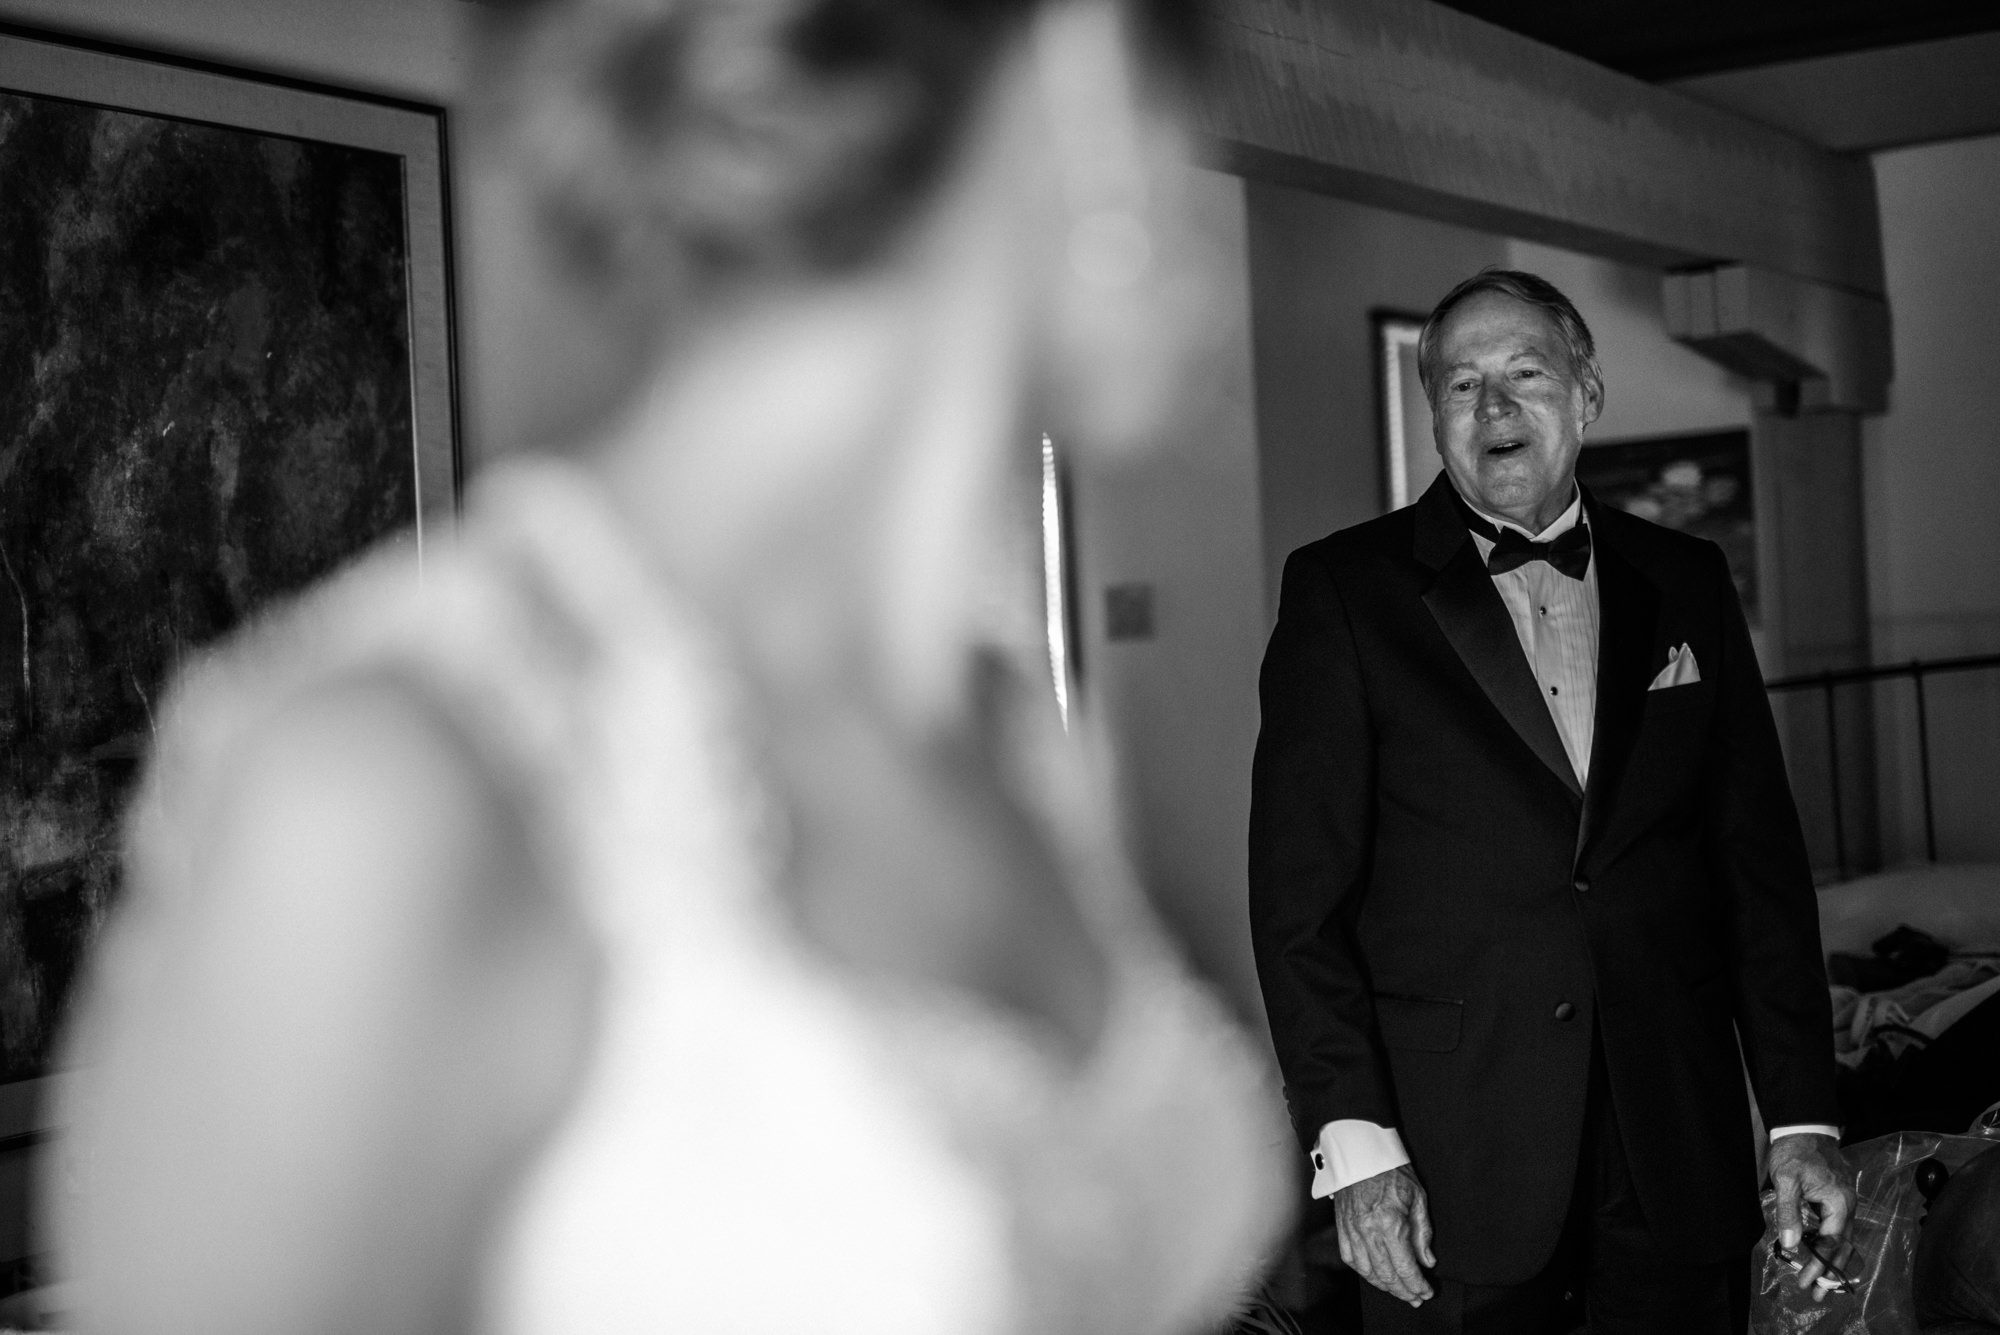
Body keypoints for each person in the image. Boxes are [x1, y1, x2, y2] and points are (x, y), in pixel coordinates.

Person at [47, 0, 1290, 1330]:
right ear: (1080, 67)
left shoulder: (998, 723)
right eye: (1186, 87)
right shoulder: (396, 781)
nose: (1202, 174)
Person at [1247, 268, 1855, 1334]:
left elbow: (1754, 866)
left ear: (1585, 394)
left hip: (1672, 1142)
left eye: (1523, 373)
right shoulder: (1340, 593)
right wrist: (1354, 1152)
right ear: (1431, 413)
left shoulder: (1686, 577)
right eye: (1459, 384)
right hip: (1448, 1162)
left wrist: (1798, 1116)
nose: (1492, 407)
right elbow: (1298, 904)